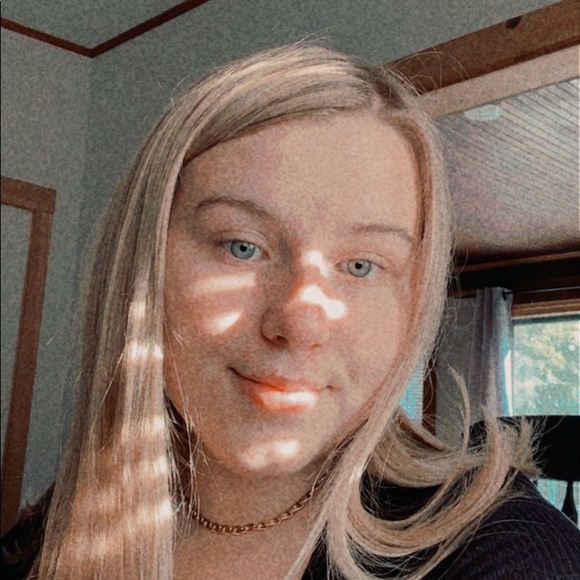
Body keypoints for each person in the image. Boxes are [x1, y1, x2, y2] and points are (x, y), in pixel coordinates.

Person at [2, 43, 579, 580]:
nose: (301, 323)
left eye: (361, 265)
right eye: (242, 246)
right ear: (142, 263)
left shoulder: (506, 554)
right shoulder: (44, 541)